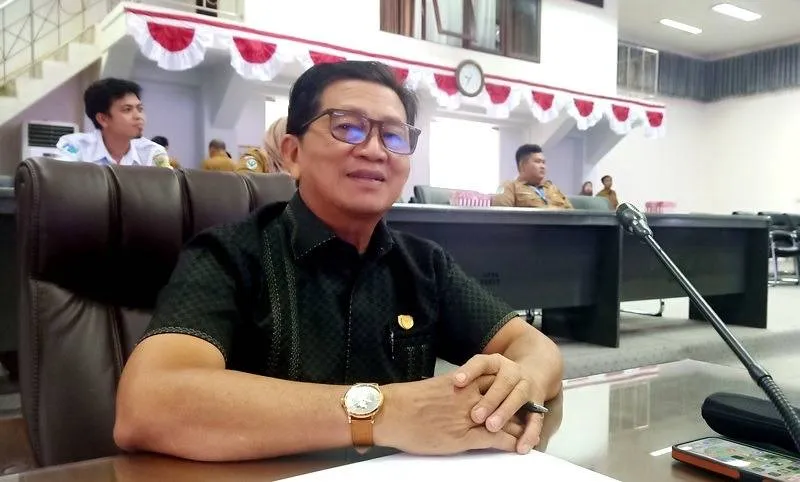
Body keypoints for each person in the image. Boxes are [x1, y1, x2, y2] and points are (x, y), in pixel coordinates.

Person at [114, 60, 563, 462]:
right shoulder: (228, 255)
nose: (375, 150)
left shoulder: (424, 265)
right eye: (347, 128)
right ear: (293, 154)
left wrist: (519, 383)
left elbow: (533, 346)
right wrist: (385, 412)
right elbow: (148, 404)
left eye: (393, 135)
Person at [56, 78, 171, 168]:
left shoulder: (153, 153)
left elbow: (167, 188)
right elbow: (62, 182)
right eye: (127, 109)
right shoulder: (75, 146)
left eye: (140, 109)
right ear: (103, 119)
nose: (138, 116)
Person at [491, 144, 573, 209]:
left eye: (543, 162)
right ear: (522, 165)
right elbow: (501, 218)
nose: (543, 166)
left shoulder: (552, 188)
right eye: (538, 162)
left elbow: (572, 214)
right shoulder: (509, 187)